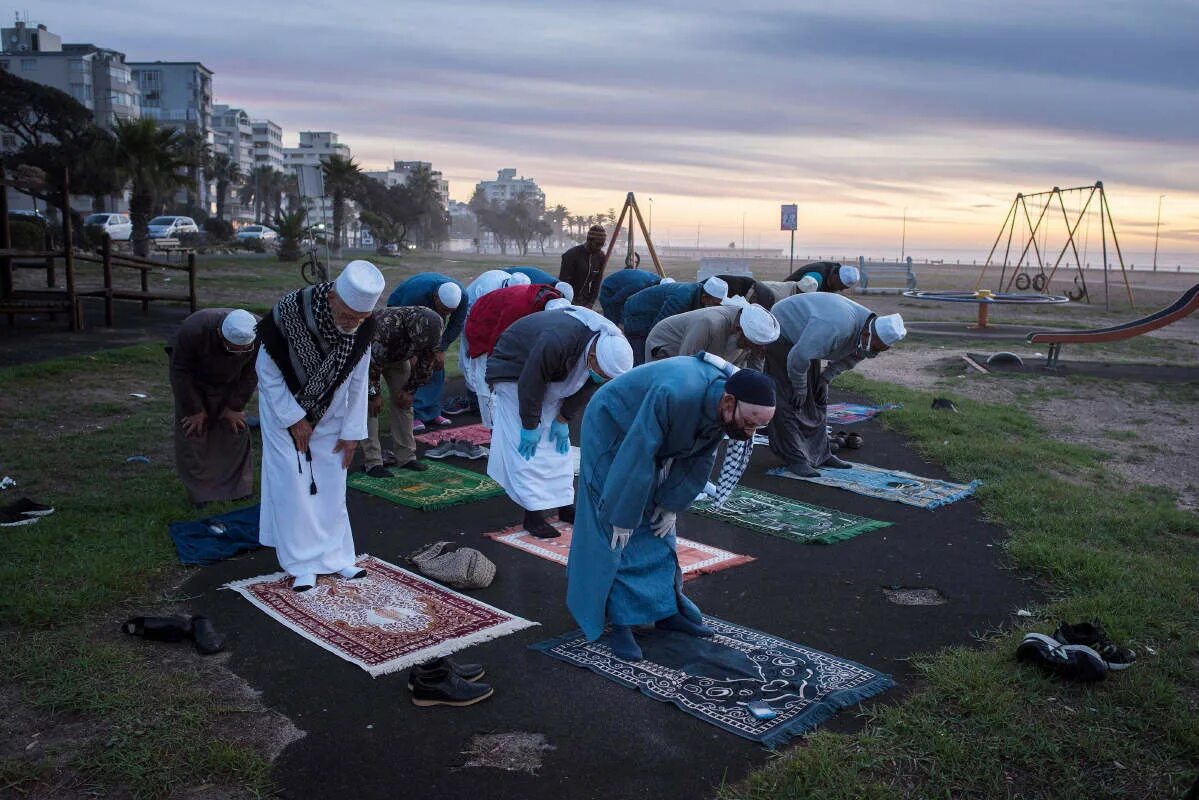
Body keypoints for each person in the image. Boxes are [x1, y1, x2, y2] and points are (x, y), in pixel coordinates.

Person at [566, 357, 776, 661]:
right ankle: (619, 621)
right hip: (614, 426)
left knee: (658, 521)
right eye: (749, 422)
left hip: (648, 436)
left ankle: (665, 611)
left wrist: (671, 504)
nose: (751, 431)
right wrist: (622, 515)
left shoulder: (724, 404)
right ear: (728, 401)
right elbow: (638, 452)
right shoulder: (675, 392)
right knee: (613, 526)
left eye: (759, 425)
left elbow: (700, 455)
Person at [256, 260, 384, 591]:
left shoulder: (363, 329)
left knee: (331, 482)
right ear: (332, 299)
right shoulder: (290, 313)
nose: (352, 324)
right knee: (294, 485)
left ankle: (336, 557)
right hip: (283, 406)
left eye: (360, 319)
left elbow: (358, 380)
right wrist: (295, 419)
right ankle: (301, 564)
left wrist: (353, 432)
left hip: (333, 409)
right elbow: (267, 372)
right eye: (347, 316)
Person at [485, 306, 633, 538]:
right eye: (602, 373)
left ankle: (565, 504)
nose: (602, 379)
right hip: (514, 372)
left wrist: (564, 418)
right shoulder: (558, 341)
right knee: (528, 449)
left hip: (550, 377)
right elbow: (531, 382)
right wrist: (530, 425)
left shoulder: (608, 348)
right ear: (592, 357)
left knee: (556, 446)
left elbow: (590, 383)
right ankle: (532, 515)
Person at [767, 293, 905, 477]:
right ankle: (796, 458)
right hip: (782, 331)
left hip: (805, 337)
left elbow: (855, 356)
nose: (874, 354)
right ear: (866, 334)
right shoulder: (836, 327)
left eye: (880, 351)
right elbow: (798, 357)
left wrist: (825, 378)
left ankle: (821, 453)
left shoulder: (868, 333)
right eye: (876, 349)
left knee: (817, 397)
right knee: (790, 398)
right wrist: (800, 386)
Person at [169, 308, 259, 507]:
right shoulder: (194, 330)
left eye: (244, 349)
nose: (239, 354)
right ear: (220, 334)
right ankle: (203, 494)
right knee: (194, 432)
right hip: (195, 383)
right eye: (232, 348)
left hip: (234, 384)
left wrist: (236, 406)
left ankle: (239, 489)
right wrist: (193, 409)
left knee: (234, 430)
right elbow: (180, 371)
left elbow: (253, 372)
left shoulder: (261, 332)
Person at [462, 283, 569, 427]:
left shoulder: (553, 303)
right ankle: (492, 427)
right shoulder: (519, 309)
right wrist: (491, 374)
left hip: (504, 316)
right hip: (484, 323)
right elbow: (498, 340)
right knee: (487, 383)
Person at [360, 307, 444, 478]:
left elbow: (427, 360)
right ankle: (373, 462)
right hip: (369, 357)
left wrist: (410, 390)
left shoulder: (433, 328)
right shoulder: (385, 328)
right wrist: (373, 394)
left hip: (398, 356)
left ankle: (406, 457)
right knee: (370, 408)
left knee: (404, 403)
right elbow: (370, 363)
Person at [386, 273, 465, 430]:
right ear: (435, 298)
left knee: (436, 364)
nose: (447, 314)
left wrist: (441, 349)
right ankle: (416, 414)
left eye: (451, 311)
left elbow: (457, 324)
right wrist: (411, 353)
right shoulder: (416, 294)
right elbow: (403, 323)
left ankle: (433, 411)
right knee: (414, 367)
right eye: (444, 310)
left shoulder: (463, 296)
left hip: (431, 319)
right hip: (401, 313)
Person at [621, 276, 729, 365]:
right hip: (638, 313)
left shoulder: (698, 295)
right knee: (643, 357)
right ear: (705, 298)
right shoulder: (681, 299)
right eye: (716, 304)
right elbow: (658, 328)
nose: (717, 308)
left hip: (652, 311)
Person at [646, 302, 779, 367]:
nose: (753, 349)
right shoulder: (709, 323)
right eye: (753, 345)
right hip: (666, 345)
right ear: (739, 329)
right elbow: (685, 365)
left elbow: (738, 372)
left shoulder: (749, 329)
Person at [558, 224, 608, 308]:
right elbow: (563, 281)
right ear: (589, 240)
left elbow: (597, 282)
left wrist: (591, 302)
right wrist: (568, 300)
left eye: (602, 245)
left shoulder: (601, 257)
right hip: (568, 299)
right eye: (597, 244)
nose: (599, 248)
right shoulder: (571, 255)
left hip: (585, 300)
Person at [785, 262, 861, 293]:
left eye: (844, 288)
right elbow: (803, 296)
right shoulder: (816, 276)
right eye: (841, 286)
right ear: (836, 276)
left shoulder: (831, 277)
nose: (840, 290)